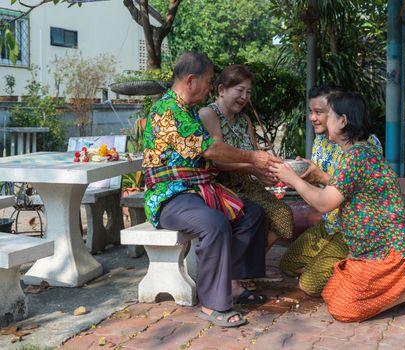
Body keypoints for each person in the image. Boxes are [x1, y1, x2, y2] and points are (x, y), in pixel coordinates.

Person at [271, 91, 405, 322]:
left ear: (342, 121)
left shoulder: (356, 156)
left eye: (328, 115)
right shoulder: (358, 152)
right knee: (330, 292)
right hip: (369, 251)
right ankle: (387, 286)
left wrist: (293, 180)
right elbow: (342, 189)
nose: (320, 120)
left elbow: (324, 203)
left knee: (343, 310)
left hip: (390, 253)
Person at [142, 52, 280, 327]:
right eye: (207, 82)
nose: (208, 88)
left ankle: (233, 284)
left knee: (252, 214)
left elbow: (209, 154)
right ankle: (212, 304)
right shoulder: (168, 110)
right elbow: (211, 150)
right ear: (191, 80)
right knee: (214, 223)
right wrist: (254, 158)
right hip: (169, 196)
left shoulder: (188, 111)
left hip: (199, 191)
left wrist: (254, 165)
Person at [279, 84, 382, 296]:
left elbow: (349, 190)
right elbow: (322, 189)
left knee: (309, 284)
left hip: (353, 228)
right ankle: (334, 263)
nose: (312, 118)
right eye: (310, 112)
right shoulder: (321, 141)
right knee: (288, 265)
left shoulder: (363, 147)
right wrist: (303, 177)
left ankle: (357, 270)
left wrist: (310, 179)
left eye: (320, 112)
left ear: (341, 116)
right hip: (330, 222)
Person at [199, 65, 294, 256]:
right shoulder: (208, 114)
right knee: (255, 215)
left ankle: (246, 264)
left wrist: (270, 172)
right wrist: (253, 169)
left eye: (248, 92)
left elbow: (256, 155)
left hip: (248, 185)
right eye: (240, 90)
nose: (245, 97)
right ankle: (239, 270)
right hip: (220, 186)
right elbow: (215, 159)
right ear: (221, 90)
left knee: (285, 217)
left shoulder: (245, 120)